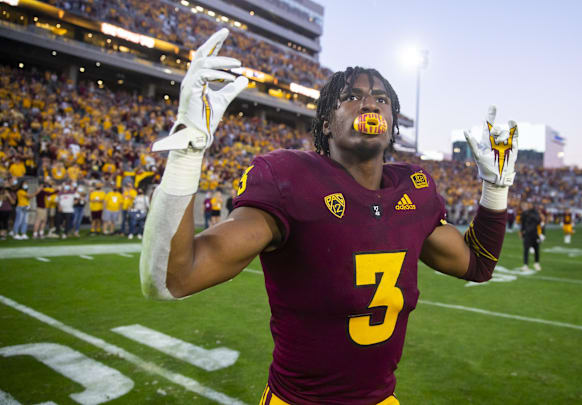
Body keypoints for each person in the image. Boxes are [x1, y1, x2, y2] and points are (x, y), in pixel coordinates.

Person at [140, 29, 517, 405]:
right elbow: (171, 279)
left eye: (381, 99)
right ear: (325, 123)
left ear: (392, 122)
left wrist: (495, 189)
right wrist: (187, 152)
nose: (369, 105)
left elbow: (478, 264)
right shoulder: (290, 179)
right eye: (351, 97)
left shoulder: (412, 190)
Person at [519, 201, 542, 271]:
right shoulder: (524, 213)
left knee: (536, 249)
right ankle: (525, 265)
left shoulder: (535, 213)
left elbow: (538, 221)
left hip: (535, 234)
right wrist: (521, 232)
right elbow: (522, 223)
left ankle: (536, 263)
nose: (529, 205)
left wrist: (530, 214)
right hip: (527, 234)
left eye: (530, 204)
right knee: (526, 250)